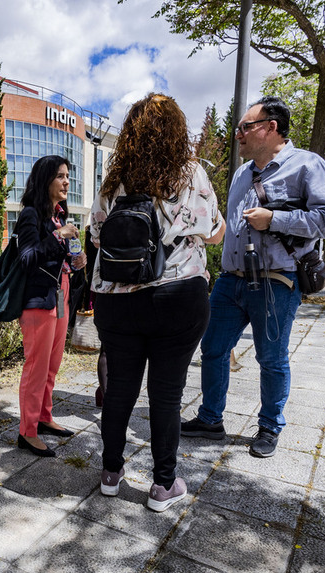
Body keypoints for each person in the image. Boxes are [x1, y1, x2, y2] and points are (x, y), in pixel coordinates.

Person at [181, 96, 325, 458]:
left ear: (271, 128)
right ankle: (211, 419)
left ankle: (270, 425)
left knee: (271, 358)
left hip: (276, 281)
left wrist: (276, 220)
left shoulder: (307, 165)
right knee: (213, 349)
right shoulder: (242, 173)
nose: (237, 134)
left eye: (245, 127)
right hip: (230, 279)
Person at [90, 93, 225, 512]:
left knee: (118, 391)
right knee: (166, 395)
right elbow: (216, 232)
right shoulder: (191, 174)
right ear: (175, 131)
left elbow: (96, 235)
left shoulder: (115, 181)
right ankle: (163, 486)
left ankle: (111, 474)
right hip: (177, 294)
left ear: (130, 133)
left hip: (116, 298)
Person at [14, 155, 87, 457]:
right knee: (36, 367)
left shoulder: (59, 216)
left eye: (67, 175)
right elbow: (27, 259)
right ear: (45, 180)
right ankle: (27, 431)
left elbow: (61, 260)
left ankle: (44, 417)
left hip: (60, 296)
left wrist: (77, 261)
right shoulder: (30, 215)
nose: (66, 181)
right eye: (60, 176)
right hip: (38, 301)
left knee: (52, 366)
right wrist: (59, 236)